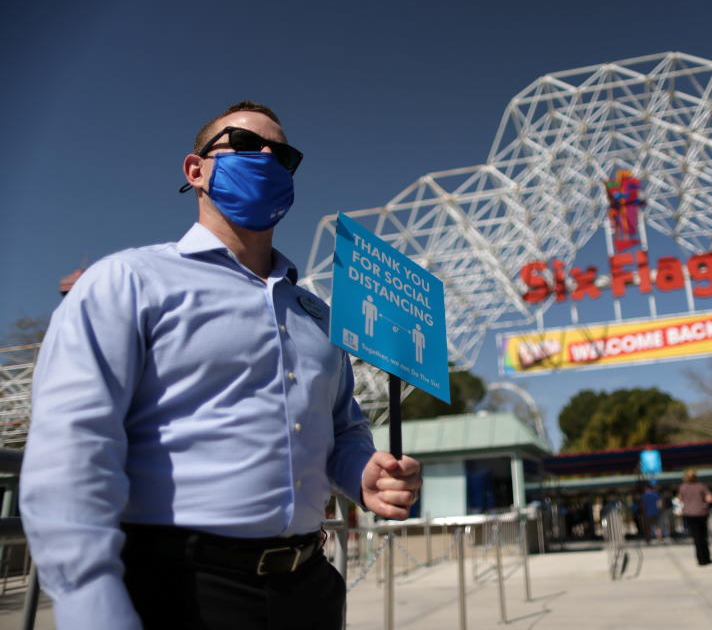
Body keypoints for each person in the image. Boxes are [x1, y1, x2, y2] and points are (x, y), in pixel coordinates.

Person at [19, 101, 422, 630]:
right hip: (178, 591)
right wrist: (91, 606)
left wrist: (363, 472)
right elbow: (74, 446)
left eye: (284, 155)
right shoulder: (129, 282)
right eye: (246, 144)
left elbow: (344, 429)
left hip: (310, 589)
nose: (268, 159)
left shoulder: (321, 318)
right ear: (196, 170)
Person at [678, 469, 712, 565]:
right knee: (703, 536)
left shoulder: (683, 487)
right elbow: (710, 499)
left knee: (696, 537)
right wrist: (704, 503)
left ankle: (700, 559)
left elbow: (680, 499)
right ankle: (706, 558)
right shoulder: (701, 486)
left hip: (689, 514)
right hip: (701, 513)